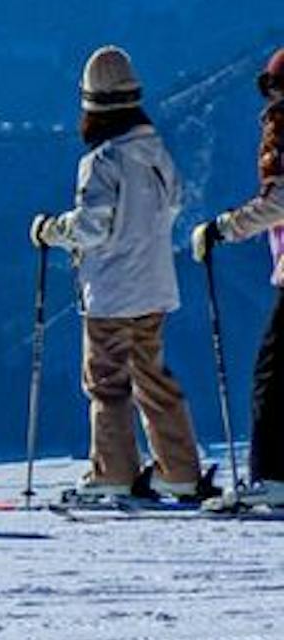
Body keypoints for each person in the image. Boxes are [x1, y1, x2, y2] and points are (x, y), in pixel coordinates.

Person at [32, 46, 211, 506]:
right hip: (155, 286)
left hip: (112, 291)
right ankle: (180, 470)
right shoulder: (155, 152)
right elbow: (173, 204)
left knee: (108, 382)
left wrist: (53, 231)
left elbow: (92, 226)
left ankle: (112, 470)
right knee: (153, 377)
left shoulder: (102, 161)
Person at [187, 46, 284, 514]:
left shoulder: (281, 130)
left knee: (273, 374)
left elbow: (279, 201)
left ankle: (272, 475)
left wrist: (224, 227)